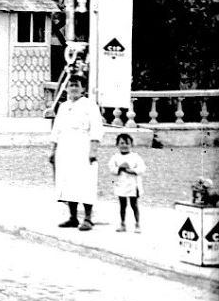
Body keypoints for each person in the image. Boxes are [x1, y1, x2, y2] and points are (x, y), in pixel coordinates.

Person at [49, 77, 103, 230]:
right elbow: (56, 130)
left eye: (76, 86)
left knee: (84, 181)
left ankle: (87, 218)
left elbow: (96, 129)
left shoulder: (90, 105)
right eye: (70, 85)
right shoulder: (63, 107)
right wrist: (52, 150)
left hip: (83, 146)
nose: (73, 88)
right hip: (65, 147)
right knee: (67, 181)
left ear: (82, 88)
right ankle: (72, 217)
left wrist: (93, 150)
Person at [107, 132, 146, 233]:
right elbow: (111, 168)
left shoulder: (135, 156)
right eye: (122, 143)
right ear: (117, 145)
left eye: (127, 143)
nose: (124, 146)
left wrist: (131, 170)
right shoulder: (115, 157)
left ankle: (137, 224)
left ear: (131, 145)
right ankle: (122, 224)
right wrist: (119, 168)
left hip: (133, 185)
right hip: (121, 184)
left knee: (134, 205)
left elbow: (142, 168)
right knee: (122, 205)